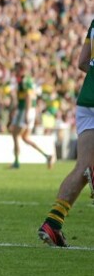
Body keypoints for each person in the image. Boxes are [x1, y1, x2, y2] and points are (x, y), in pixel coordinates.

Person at [37, 19, 94, 247]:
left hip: (87, 100)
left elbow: (82, 62)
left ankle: (53, 223)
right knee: (88, 167)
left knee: (82, 167)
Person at [8, 60, 55, 169]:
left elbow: (29, 97)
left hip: (25, 110)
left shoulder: (25, 81)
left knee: (15, 134)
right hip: (28, 110)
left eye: (16, 69)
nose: (15, 71)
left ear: (21, 69)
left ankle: (16, 162)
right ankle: (47, 156)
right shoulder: (25, 80)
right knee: (25, 138)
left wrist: (26, 113)